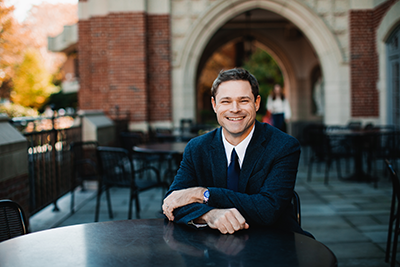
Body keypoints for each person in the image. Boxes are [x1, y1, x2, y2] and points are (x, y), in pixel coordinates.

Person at [162, 68, 308, 237]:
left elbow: (267, 209)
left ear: (257, 103)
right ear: (214, 105)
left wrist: (202, 194)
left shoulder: (283, 146)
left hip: (275, 243)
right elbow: (173, 203)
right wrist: (209, 215)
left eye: (243, 100)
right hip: (213, 249)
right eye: (225, 101)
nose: (235, 109)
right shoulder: (197, 148)